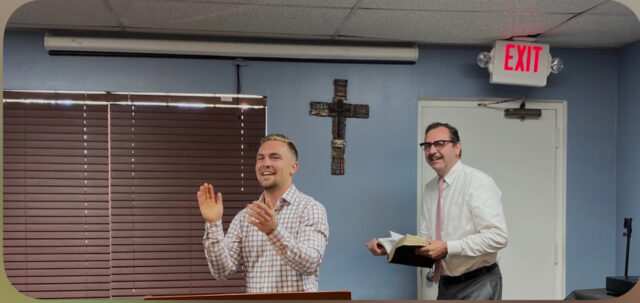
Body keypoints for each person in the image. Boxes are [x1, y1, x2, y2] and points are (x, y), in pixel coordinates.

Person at [366, 122, 507, 300]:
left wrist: (447, 247)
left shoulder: (478, 183)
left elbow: (498, 236)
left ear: (457, 147)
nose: (432, 151)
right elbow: (427, 242)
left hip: (479, 283)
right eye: (427, 145)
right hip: (446, 285)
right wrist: (391, 248)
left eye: (439, 143)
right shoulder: (430, 189)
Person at [198, 134, 329, 292]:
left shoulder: (310, 209)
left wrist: (274, 232)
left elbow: (310, 263)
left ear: (293, 167)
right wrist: (213, 224)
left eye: (275, 157)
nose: (266, 163)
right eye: (260, 158)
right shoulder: (244, 217)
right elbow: (221, 272)